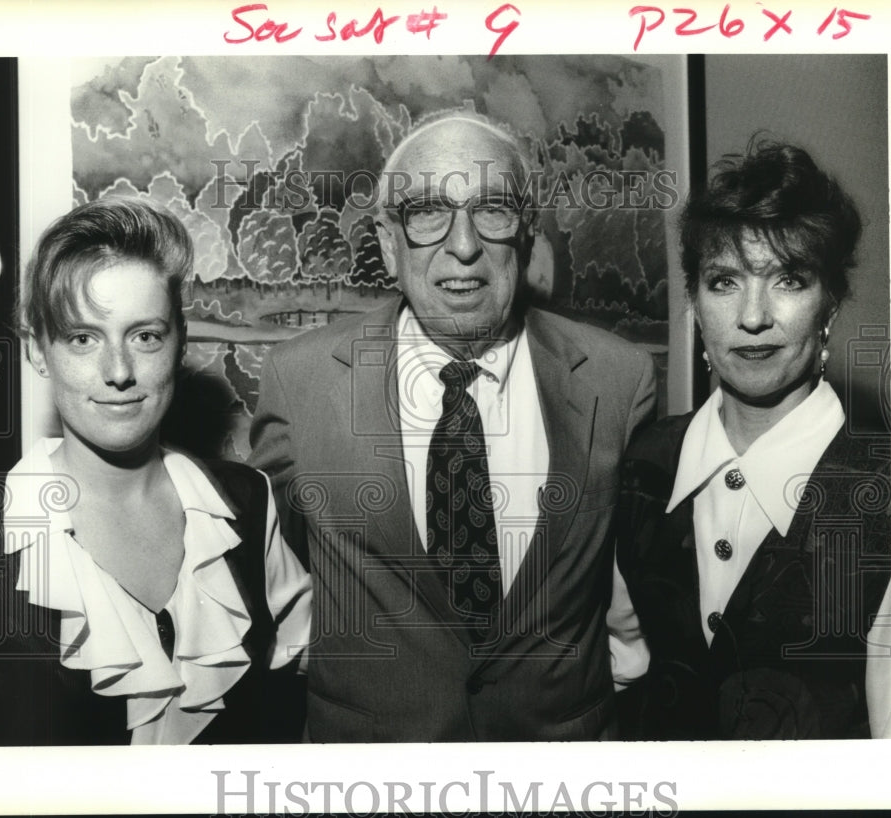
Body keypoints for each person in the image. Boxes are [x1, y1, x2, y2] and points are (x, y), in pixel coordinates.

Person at [248, 114, 656, 741]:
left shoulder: (617, 379)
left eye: (492, 210)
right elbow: (285, 575)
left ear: (526, 233)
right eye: (427, 212)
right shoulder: (300, 382)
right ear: (388, 243)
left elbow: (634, 597)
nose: (463, 246)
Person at [0, 196, 311, 745]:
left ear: (178, 345)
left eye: (145, 336)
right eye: (82, 338)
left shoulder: (246, 503)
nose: (119, 372)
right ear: (37, 352)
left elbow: (309, 684)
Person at [613, 140, 891, 740]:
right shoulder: (641, 467)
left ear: (831, 307)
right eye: (724, 282)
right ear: (693, 303)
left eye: (788, 280)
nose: (753, 316)